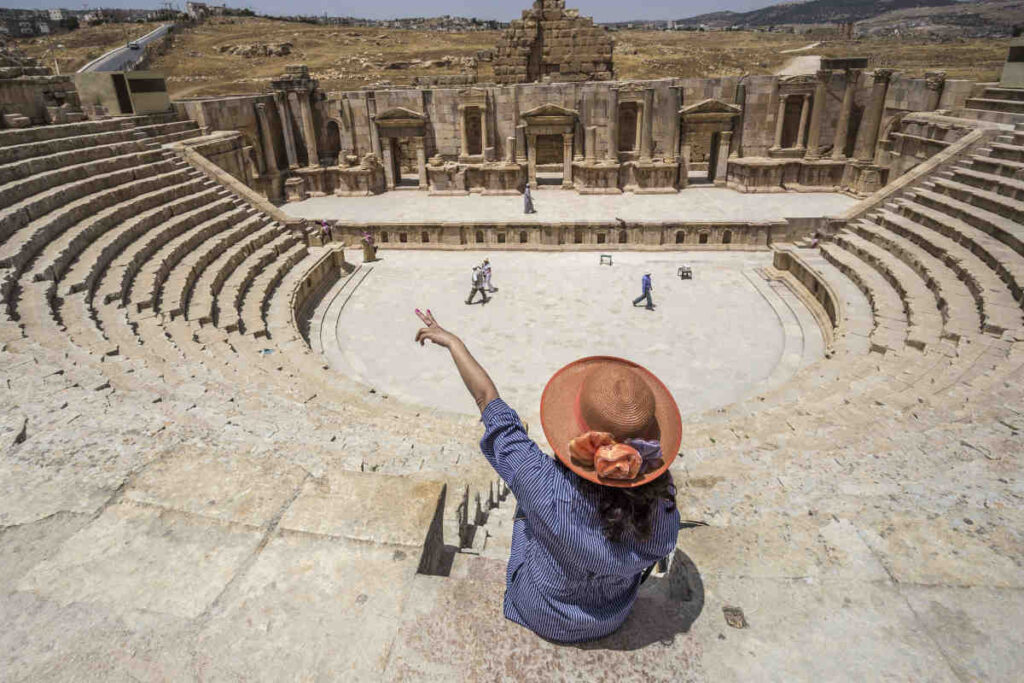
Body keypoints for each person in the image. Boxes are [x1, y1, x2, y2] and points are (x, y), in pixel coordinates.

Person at [414, 309, 681, 643]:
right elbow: (662, 541)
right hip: (611, 615)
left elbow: (488, 401)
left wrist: (454, 343)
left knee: (528, 503)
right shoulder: (663, 507)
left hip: (540, 609)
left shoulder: (542, 483)